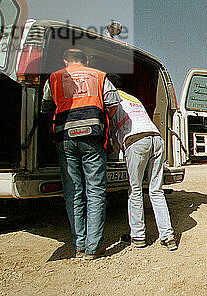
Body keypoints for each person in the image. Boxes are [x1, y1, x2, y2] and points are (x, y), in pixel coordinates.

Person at [41, 49, 120, 260]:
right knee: (95, 191)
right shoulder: (99, 75)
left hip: (65, 137)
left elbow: (45, 107)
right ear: (85, 62)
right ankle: (93, 248)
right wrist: (102, 118)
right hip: (92, 135)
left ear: (66, 60)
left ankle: (79, 246)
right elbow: (113, 103)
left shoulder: (55, 77)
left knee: (73, 191)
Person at [106, 74, 177, 251]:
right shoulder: (133, 98)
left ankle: (138, 236)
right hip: (156, 139)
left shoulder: (112, 98)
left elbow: (113, 129)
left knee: (135, 190)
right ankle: (168, 236)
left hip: (137, 141)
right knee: (156, 190)